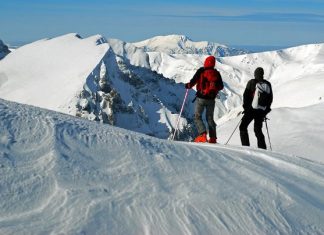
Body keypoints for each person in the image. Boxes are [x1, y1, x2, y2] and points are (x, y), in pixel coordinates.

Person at [185, 55, 224, 143]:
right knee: (210, 118)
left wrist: (188, 85)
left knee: (197, 117)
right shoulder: (216, 73)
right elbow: (221, 86)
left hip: (201, 98)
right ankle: (213, 138)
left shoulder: (201, 70)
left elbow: (193, 81)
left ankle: (202, 135)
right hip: (211, 99)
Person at [239, 67, 273, 149]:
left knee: (243, 127)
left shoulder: (251, 82)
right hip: (261, 111)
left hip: (251, 110)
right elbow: (270, 98)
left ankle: (246, 147)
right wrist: (266, 110)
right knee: (258, 129)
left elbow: (246, 96)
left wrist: (246, 108)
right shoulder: (267, 84)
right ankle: (262, 148)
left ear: (255, 74)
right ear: (263, 74)